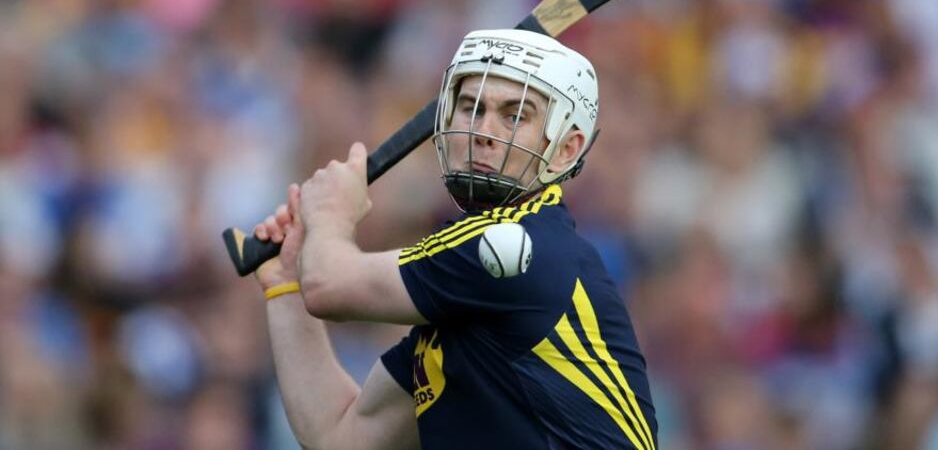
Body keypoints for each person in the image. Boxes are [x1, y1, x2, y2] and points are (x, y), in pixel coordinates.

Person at [252, 29, 658, 449]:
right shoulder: (464, 294)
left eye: (515, 115)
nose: (483, 131)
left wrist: (332, 212)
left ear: (566, 149)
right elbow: (341, 438)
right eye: (471, 108)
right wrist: (286, 284)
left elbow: (329, 287)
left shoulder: (517, 247)